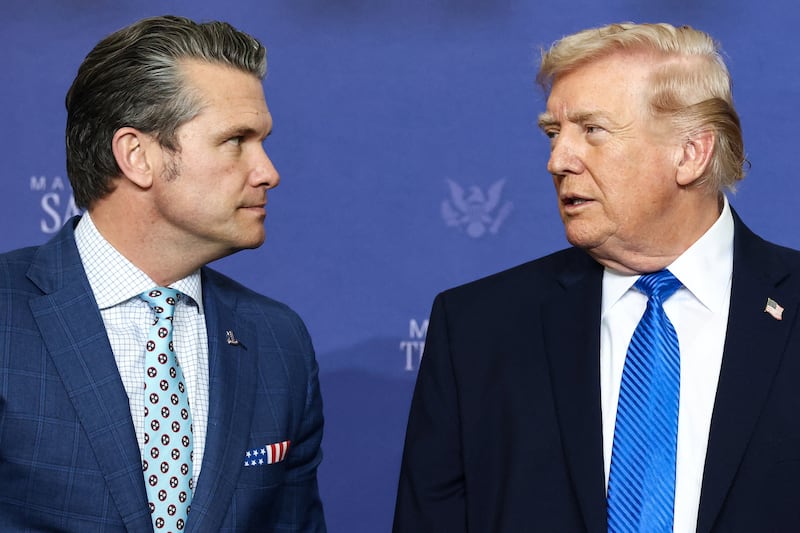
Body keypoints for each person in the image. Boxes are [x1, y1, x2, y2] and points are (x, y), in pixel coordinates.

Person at [393, 22, 800, 532]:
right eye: (553, 133)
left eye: (592, 131)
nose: (557, 161)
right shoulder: (477, 328)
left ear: (691, 152)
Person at [0, 15, 326, 532]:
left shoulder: (279, 341)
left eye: (261, 141)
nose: (268, 171)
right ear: (137, 156)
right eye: (236, 140)